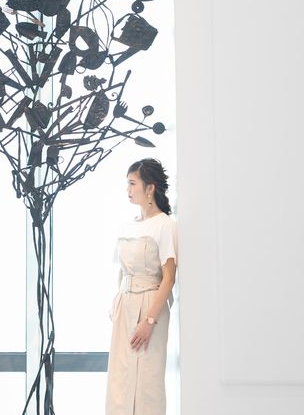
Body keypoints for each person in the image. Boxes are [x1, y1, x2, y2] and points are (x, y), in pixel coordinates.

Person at [106, 158, 178, 415]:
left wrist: (149, 320)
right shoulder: (126, 226)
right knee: (120, 379)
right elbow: (122, 270)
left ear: (150, 188)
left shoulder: (165, 225)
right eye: (127, 184)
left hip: (151, 305)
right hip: (124, 305)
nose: (128, 189)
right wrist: (116, 303)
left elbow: (169, 278)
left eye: (132, 183)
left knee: (148, 379)